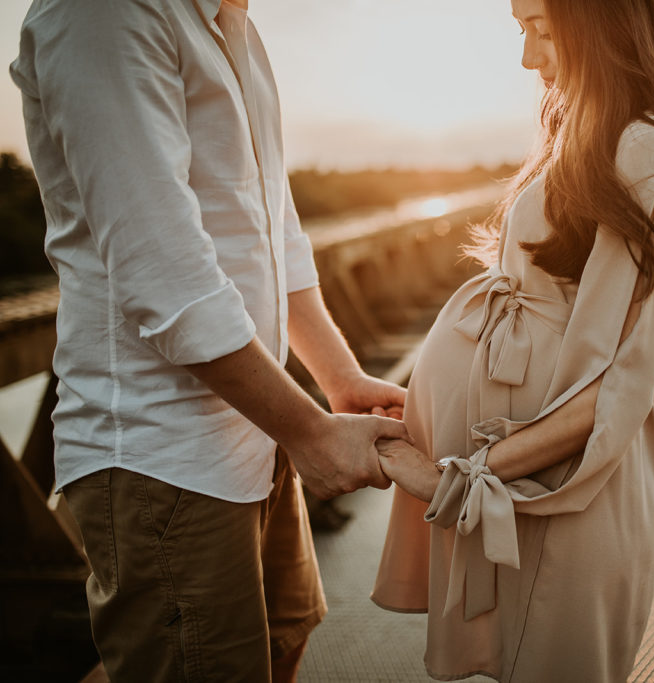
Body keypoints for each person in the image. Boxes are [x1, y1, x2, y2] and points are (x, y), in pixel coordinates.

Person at [10, 1, 408, 680]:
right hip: (161, 457)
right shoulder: (103, 14)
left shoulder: (231, 25)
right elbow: (164, 271)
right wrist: (310, 433)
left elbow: (272, 228)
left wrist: (336, 381)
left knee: (285, 643)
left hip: (257, 430)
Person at [371, 0, 654, 680]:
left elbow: (612, 388)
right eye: (520, 31)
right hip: (515, 487)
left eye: (540, 30)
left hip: (557, 496)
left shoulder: (646, 154)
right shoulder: (590, 130)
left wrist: (461, 474)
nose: (529, 59)